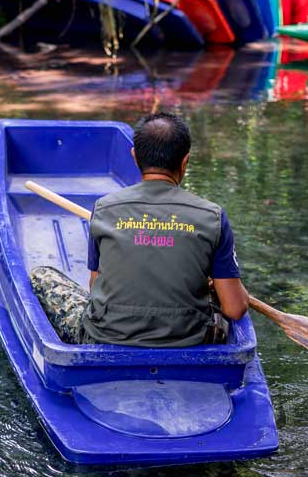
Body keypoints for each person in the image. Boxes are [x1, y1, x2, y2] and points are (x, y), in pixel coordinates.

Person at [30, 112, 249, 347]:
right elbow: (234, 309)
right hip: (189, 341)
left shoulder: (104, 209)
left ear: (135, 157)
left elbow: (95, 288)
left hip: (106, 337)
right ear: (185, 161)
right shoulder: (212, 218)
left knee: (41, 276)